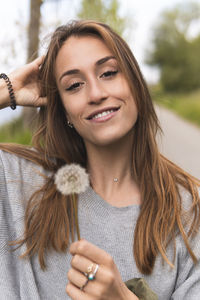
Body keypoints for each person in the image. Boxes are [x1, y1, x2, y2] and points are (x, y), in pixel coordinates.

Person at [0, 20, 200, 300]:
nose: (96, 94)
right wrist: (7, 89)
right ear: (64, 112)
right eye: (74, 86)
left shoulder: (191, 212)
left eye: (108, 73)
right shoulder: (17, 182)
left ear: (135, 83)